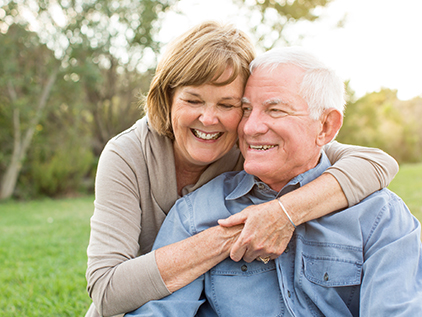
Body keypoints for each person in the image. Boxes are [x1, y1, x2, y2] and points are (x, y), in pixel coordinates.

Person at [85, 22, 399, 317]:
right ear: (168, 99)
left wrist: (282, 213)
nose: (209, 119)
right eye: (193, 100)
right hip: (135, 304)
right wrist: (239, 232)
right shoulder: (127, 155)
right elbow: (106, 289)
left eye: (228, 105)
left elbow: (377, 163)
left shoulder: (252, 144)